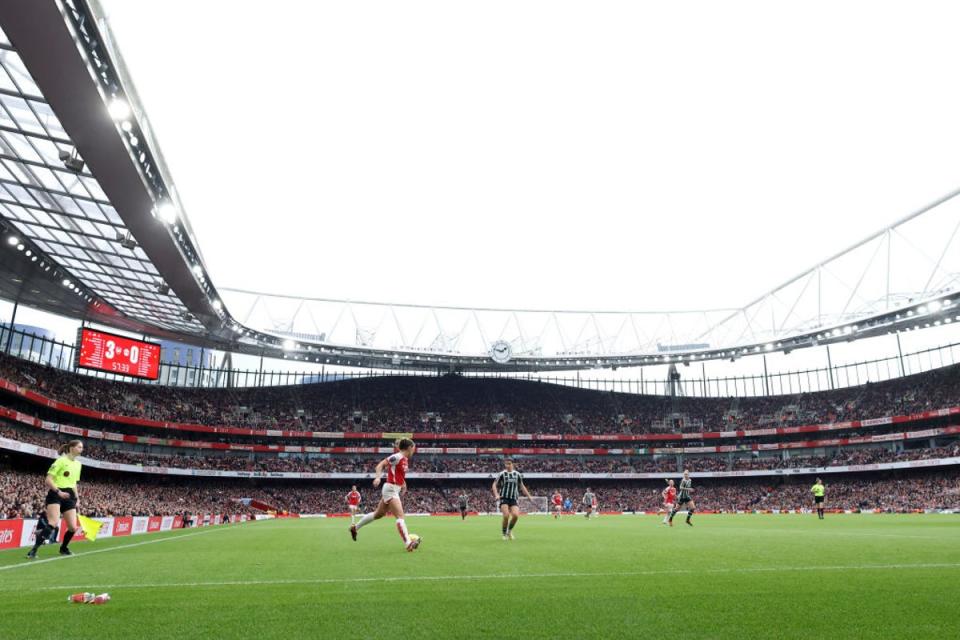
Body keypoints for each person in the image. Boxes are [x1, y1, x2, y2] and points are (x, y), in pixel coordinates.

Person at [350, 439, 421, 551]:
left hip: (394, 489)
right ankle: (408, 543)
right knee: (400, 517)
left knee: (378, 514)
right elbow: (380, 465)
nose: (414, 450)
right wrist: (378, 477)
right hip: (390, 489)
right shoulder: (397, 457)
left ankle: (355, 528)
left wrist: (403, 483)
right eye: (413, 448)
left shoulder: (405, 459)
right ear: (409, 448)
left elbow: (397, 473)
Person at [27, 440, 83, 559]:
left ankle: (63, 548)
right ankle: (33, 550)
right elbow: (48, 480)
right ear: (72, 448)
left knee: (73, 527)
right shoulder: (61, 461)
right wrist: (59, 492)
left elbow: (74, 483)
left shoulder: (78, 464)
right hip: (56, 493)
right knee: (53, 522)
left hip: (69, 496)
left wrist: (77, 498)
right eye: (79, 447)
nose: (81, 449)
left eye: (81, 447)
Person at [492, 458, 532, 540]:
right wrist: (496, 494)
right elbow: (494, 485)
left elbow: (522, 486)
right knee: (506, 515)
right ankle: (504, 534)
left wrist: (529, 496)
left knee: (516, 516)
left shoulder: (517, 474)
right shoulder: (502, 474)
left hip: (514, 498)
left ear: (513, 464)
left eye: (509, 464)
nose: (507, 465)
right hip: (504, 497)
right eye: (506, 464)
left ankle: (509, 531)